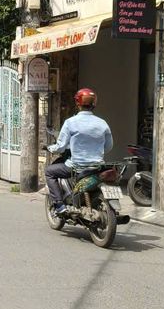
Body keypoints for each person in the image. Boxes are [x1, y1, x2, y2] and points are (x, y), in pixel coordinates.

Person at [45, 88, 113, 216]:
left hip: (77, 167)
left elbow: (61, 147)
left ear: (77, 103)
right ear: (94, 104)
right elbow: (108, 146)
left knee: (49, 172)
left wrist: (50, 148)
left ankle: (59, 205)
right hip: (97, 166)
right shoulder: (102, 123)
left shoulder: (70, 122)